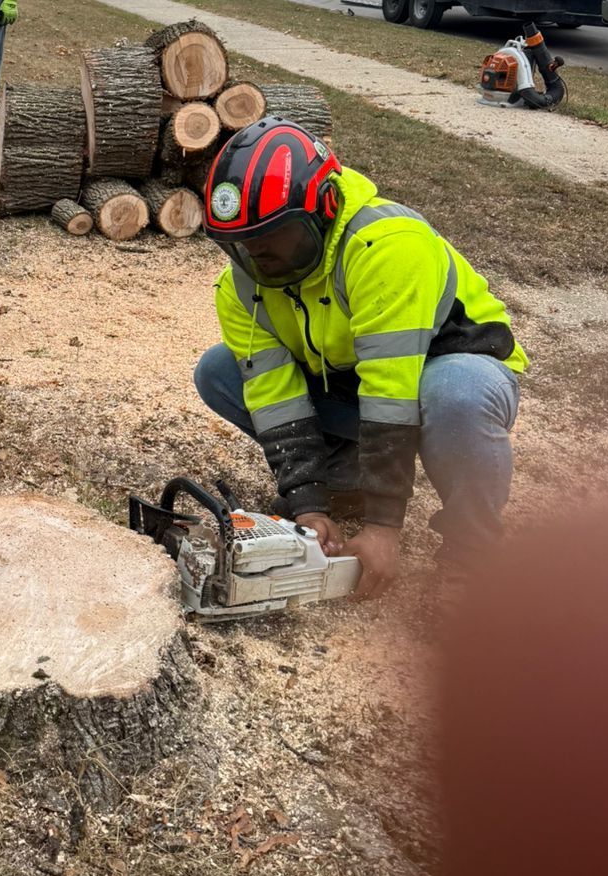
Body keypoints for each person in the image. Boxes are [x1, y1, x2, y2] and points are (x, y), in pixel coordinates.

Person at [193, 118, 525, 599]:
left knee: (456, 394)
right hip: (347, 376)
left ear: (324, 210)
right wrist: (308, 505)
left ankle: (471, 551)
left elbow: (390, 390)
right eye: (242, 243)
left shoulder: (387, 247)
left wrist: (383, 527)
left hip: (449, 365)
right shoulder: (240, 283)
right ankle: (343, 481)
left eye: (274, 237)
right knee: (219, 372)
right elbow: (274, 397)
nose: (257, 257)